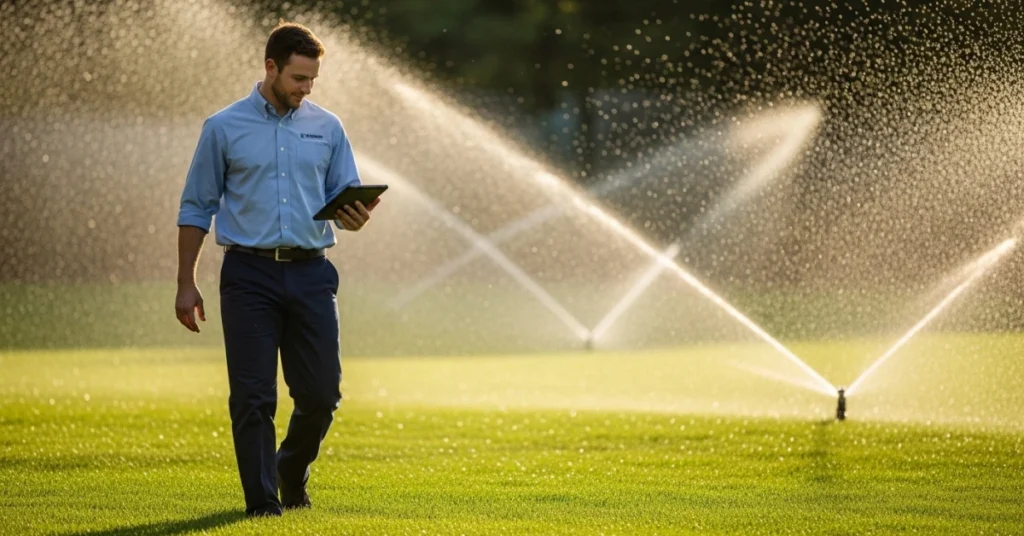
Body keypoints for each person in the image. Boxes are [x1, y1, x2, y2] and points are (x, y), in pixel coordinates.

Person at [174, 22, 378, 518]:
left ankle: (291, 466)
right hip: (248, 275)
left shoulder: (328, 127)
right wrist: (186, 282)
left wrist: (356, 216)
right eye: (298, 78)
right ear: (271, 67)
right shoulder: (222, 127)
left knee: (322, 395)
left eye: (311, 80)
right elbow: (196, 207)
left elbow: (345, 196)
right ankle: (262, 504)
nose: (305, 89)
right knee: (252, 397)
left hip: (312, 274)